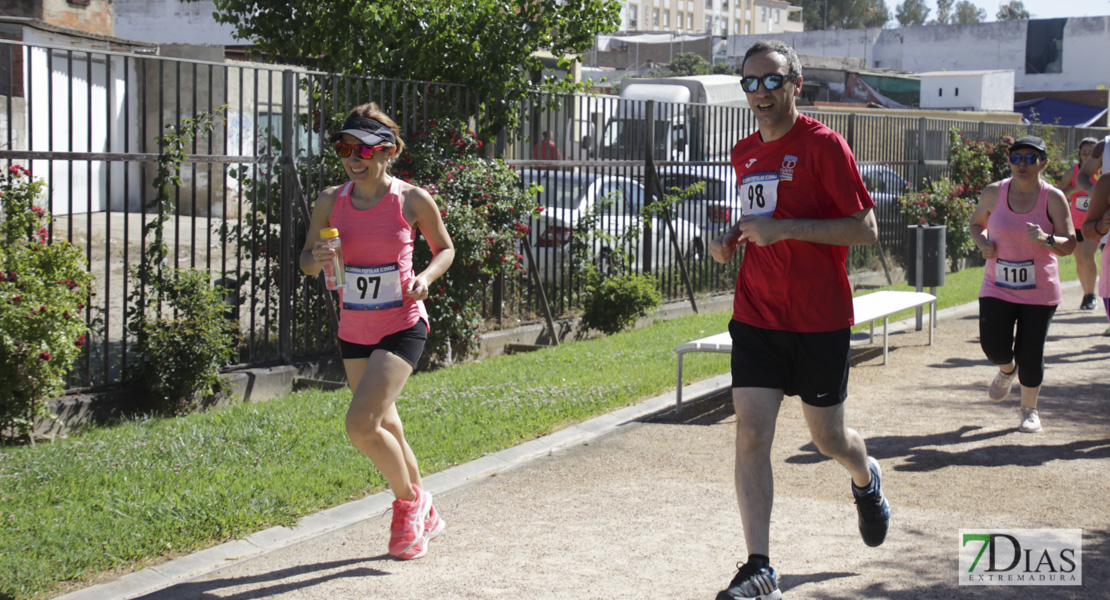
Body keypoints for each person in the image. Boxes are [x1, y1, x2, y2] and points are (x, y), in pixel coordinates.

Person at [708, 40, 889, 600]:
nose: (760, 92)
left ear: (795, 84)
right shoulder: (743, 152)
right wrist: (729, 240)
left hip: (818, 319)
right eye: (750, 82)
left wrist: (786, 230)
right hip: (757, 314)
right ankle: (758, 566)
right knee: (751, 432)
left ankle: (866, 478)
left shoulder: (824, 146)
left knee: (828, 438)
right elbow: (757, 220)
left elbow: (865, 229)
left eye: (771, 80)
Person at [300, 103, 455, 560]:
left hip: (402, 324)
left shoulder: (411, 200)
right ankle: (426, 511)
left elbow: (444, 249)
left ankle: (409, 504)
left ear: (388, 152)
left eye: (364, 149)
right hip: (355, 327)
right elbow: (306, 262)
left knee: (361, 424)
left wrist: (425, 279)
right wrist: (320, 259)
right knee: (387, 424)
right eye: (346, 148)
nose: (353, 157)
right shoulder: (331, 199)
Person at [968, 135, 1076, 434]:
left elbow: (1071, 244)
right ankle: (1006, 370)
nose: (1022, 165)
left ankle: (1029, 410)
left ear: (1043, 162)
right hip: (997, 284)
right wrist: (982, 243)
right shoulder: (994, 192)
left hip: (1040, 290)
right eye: (1016, 158)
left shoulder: (1053, 197)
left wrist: (1047, 239)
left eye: (1030, 159)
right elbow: (976, 224)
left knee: (1030, 352)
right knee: (993, 346)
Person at [1060, 137, 1100, 310]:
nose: (1086, 156)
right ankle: (1086, 295)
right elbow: (1060, 194)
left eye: (1091, 153)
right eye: (1084, 153)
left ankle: (1092, 295)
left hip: (1096, 222)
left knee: (1087, 255)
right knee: (1080, 260)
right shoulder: (1072, 172)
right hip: (1076, 223)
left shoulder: (1102, 171)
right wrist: (1076, 189)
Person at [1081, 136, 1110, 336]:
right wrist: (1097, 193)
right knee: (1084, 254)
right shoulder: (1105, 145)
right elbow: (1082, 176)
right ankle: (1089, 294)